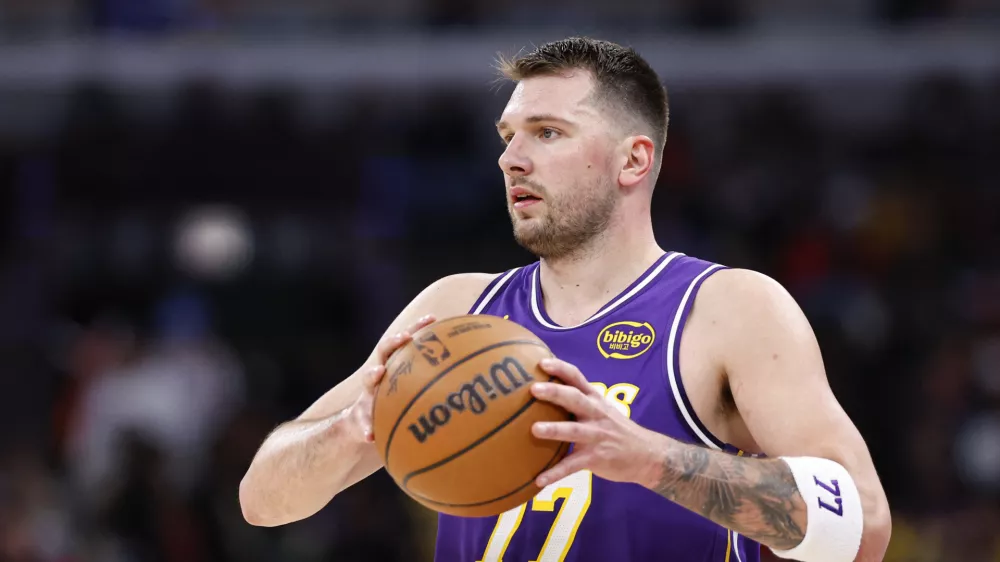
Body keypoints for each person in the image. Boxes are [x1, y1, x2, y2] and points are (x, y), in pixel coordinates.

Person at [239, 37, 892, 562]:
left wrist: (650, 459)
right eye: (508, 136)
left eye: (547, 133)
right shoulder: (457, 307)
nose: (511, 159)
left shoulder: (729, 307)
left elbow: (863, 525)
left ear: (633, 161)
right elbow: (261, 499)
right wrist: (358, 425)